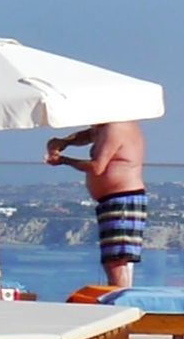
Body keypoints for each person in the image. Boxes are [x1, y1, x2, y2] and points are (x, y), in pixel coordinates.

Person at [44, 120, 149, 293]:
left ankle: (120, 301)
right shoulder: (103, 129)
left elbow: (97, 167)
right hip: (112, 201)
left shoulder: (116, 128)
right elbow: (87, 135)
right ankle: (116, 296)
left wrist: (63, 160)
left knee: (117, 258)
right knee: (112, 258)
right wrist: (65, 142)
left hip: (122, 200)